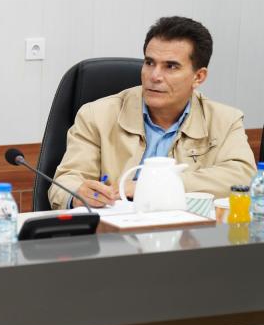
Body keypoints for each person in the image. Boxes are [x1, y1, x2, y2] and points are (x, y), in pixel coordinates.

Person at [50, 16, 256, 210]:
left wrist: (155, 184)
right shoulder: (97, 115)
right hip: (114, 229)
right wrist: (76, 194)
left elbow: (243, 177)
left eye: (171, 66)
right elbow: (65, 182)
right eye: (149, 63)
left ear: (198, 77)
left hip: (188, 230)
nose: (154, 76)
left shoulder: (225, 120)